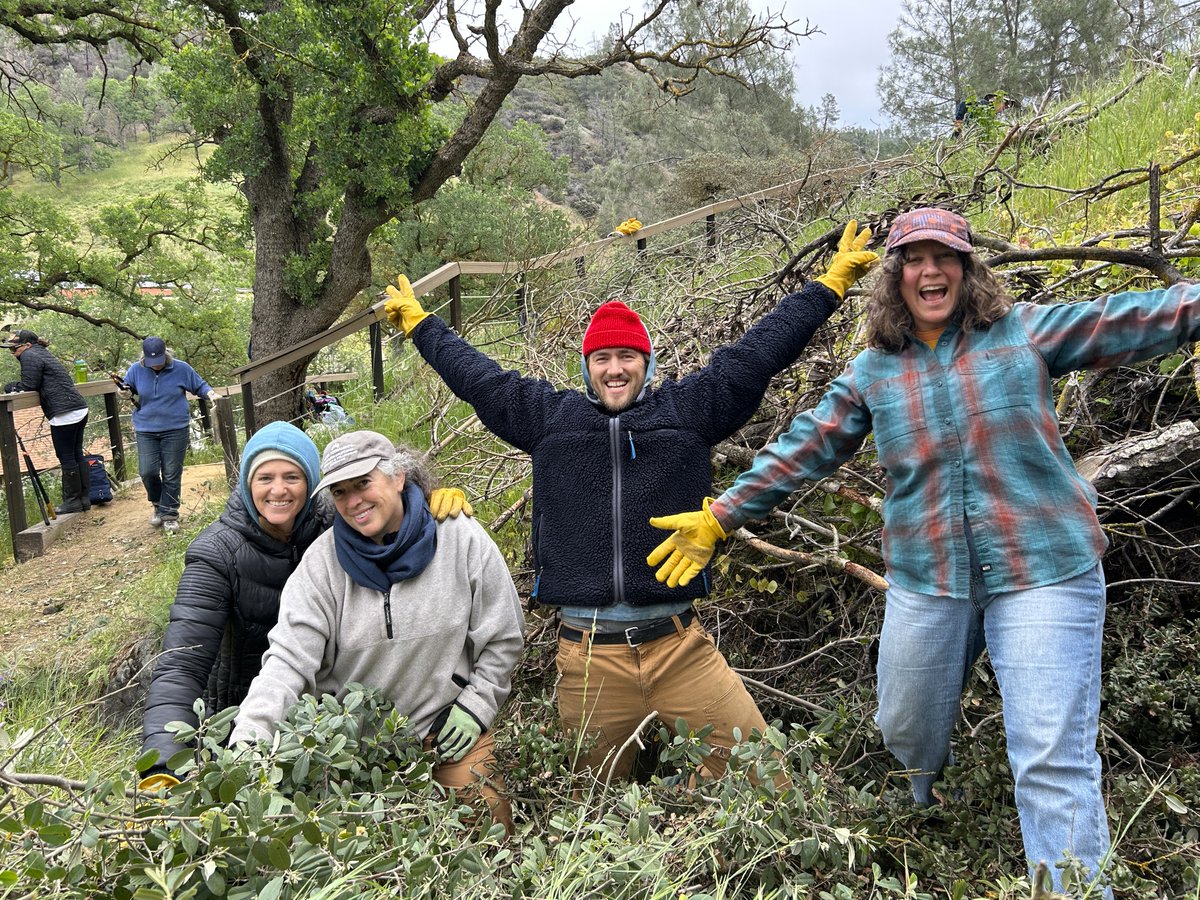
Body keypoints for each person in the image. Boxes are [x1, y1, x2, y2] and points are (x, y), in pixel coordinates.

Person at [649, 207, 1200, 895]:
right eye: (913, 258)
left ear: (969, 271)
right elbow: (808, 445)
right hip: (929, 577)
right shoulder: (873, 371)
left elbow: (1128, 318)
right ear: (896, 277)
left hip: (1044, 569)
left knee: (1050, 757)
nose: (929, 270)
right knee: (905, 729)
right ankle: (923, 815)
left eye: (945, 257)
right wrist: (722, 516)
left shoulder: (1023, 332)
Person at [382, 222, 877, 783]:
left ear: (647, 363)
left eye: (627, 356)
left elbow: (757, 354)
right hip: (588, 658)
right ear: (587, 370)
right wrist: (424, 326)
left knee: (765, 781)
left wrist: (828, 286)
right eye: (602, 359)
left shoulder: (689, 411)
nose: (614, 368)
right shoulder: (550, 420)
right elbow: (480, 379)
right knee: (591, 808)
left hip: (680, 647)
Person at [139, 422, 473, 784]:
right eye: (265, 477)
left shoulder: (336, 526)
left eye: (292, 477)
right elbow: (181, 664)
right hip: (241, 720)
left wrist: (426, 500)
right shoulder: (217, 554)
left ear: (313, 484)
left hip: (323, 717)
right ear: (247, 483)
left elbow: (381, 506)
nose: (278, 490)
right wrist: (164, 761)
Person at [229, 431, 523, 832]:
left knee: (490, 829)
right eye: (340, 492)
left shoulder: (459, 537)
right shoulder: (320, 566)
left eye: (363, 483)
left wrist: (478, 705)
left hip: (446, 727)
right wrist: (247, 745)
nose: (354, 502)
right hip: (353, 747)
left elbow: (503, 635)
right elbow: (286, 663)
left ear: (398, 477)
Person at [123, 336, 219, 534]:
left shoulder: (181, 368)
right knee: (147, 471)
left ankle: (169, 515)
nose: (156, 366)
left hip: (175, 427)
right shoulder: (136, 369)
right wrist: (124, 392)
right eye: (151, 363)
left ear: (166, 355)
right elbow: (128, 388)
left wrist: (211, 394)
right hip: (145, 428)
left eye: (159, 361)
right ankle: (158, 503)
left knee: (171, 472)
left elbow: (200, 385)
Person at [3, 329, 91, 513]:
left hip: (63, 413)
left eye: (14, 349)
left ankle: (72, 501)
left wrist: (11, 386)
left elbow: (29, 384)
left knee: (66, 456)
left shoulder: (29, 355)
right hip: (78, 408)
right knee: (76, 454)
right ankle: (84, 499)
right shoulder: (43, 353)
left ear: (27, 345)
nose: (13, 354)